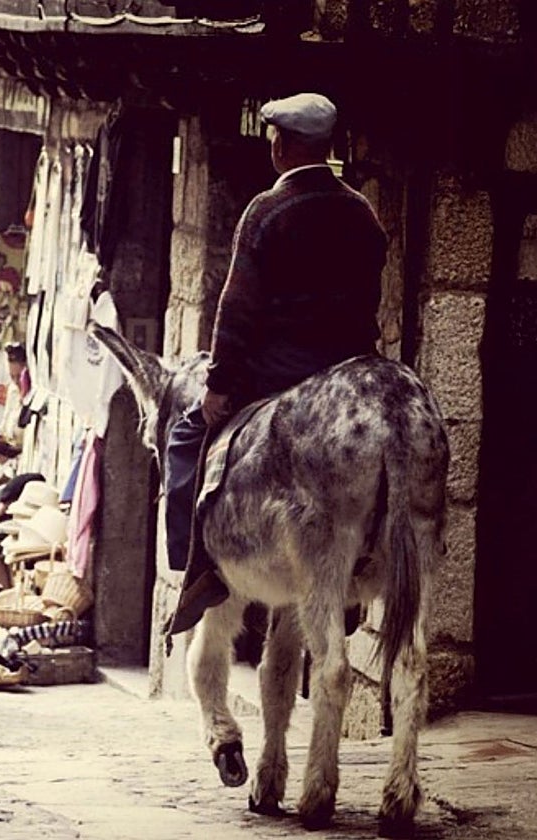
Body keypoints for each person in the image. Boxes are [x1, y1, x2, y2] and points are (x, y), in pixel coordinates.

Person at [164, 92, 388, 635]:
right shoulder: (362, 213)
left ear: (282, 145)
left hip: (277, 375)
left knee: (185, 440)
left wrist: (219, 385)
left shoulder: (265, 211)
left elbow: (237, 308)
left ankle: (200, 571)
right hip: (347, 378)